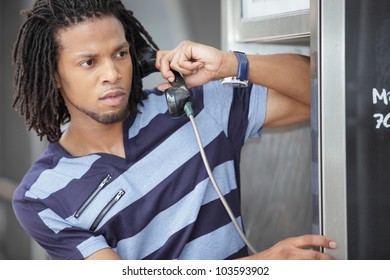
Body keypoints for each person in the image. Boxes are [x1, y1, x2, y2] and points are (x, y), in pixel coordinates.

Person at [12, 0, 337, 260]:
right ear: (54, 75)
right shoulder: (40, 197)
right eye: (89, 62)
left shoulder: (196, 108)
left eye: (120, 54)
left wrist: (229, 63)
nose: (112, 73)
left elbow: (326, 95)